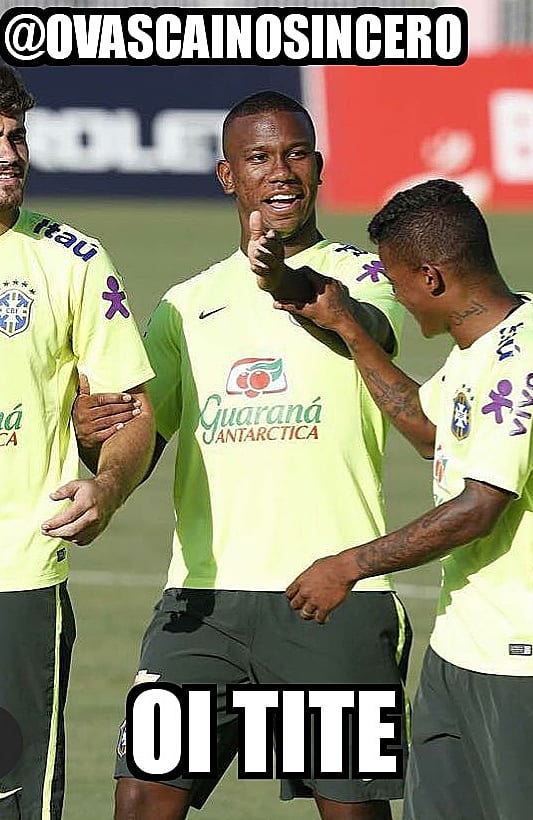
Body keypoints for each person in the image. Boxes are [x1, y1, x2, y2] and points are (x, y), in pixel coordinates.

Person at [278, 178, 533, 819]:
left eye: (397, 282)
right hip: (460, 647)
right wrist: (349, 328)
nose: (396, 297)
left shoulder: (526, 359)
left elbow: (477, 509)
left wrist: (347, 566)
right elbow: (431, 431)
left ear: (431, 278)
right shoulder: (490, 340)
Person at [74, 91, 411, 820]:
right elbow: (142, 434)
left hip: (333, 601)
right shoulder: (184, 305)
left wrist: (282, 281)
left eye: (295, 154)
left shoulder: (364, 274)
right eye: (259, 157)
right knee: (140, 803)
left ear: (319, 166)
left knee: (349, 813)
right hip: (204, 605)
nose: (280, 171)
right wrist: (94, 449)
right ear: (228, 175)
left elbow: (371, 333)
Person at [0, 65, 155, 820]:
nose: (10, 155)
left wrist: (108, 486)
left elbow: (131, 409)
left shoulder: (73, 260)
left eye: (16, 136)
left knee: (15, 795)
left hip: (17, 570)